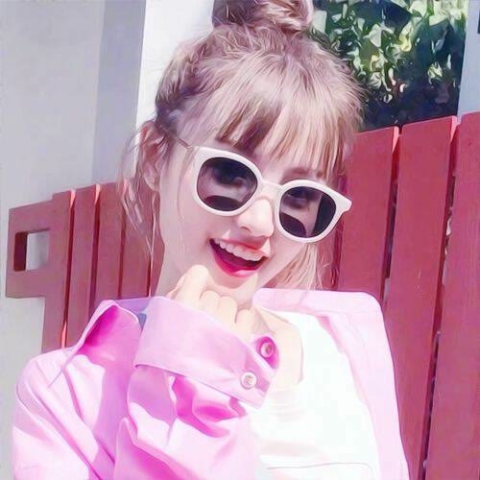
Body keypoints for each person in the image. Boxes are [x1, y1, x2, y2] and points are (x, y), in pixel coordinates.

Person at [12, 0, 409, 478]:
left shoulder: (346, 341)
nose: (261, 223)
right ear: (156, 158)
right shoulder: (65, 398)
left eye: (300, 196)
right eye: (229, 174)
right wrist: (187, 390)